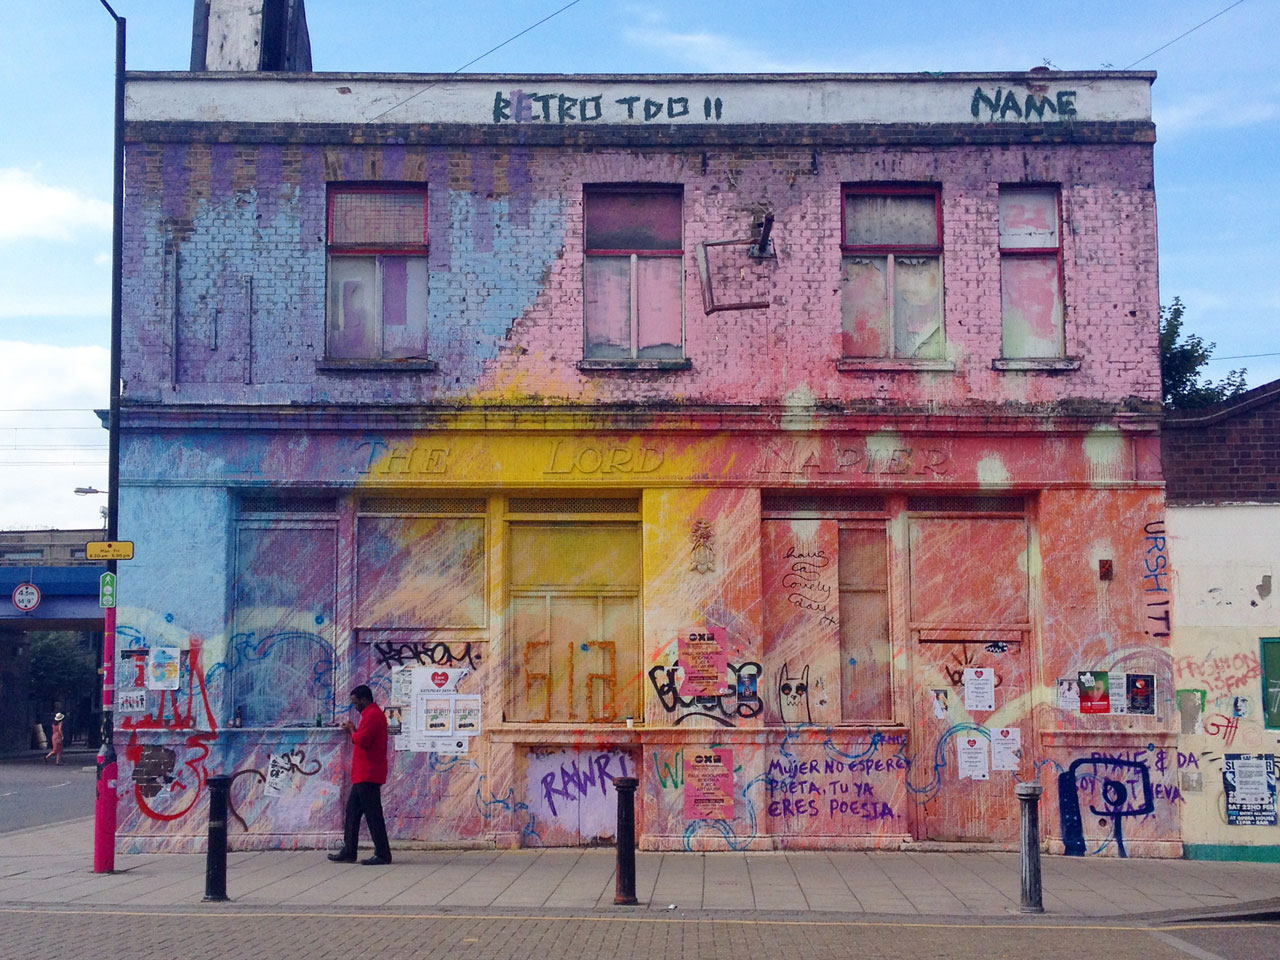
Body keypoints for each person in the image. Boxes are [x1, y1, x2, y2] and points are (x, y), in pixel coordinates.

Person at [328, 685, 392, 866]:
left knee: (373, 815)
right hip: (364, 774)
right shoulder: (371, 715)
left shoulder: (372, 715)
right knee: (352, 812)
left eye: (356, 703)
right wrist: (355, 729)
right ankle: (349, 851)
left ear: (364, 700)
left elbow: (362, 740)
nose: (355, 706)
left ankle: (383, 853)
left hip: (368, 774)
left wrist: (351, 730)